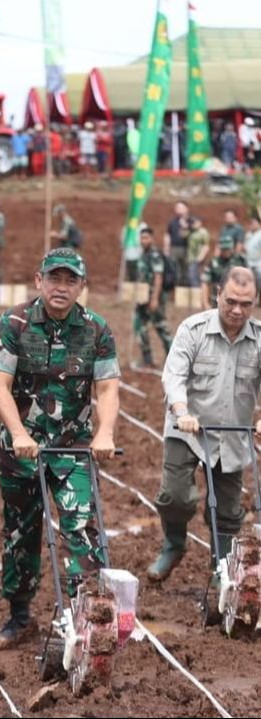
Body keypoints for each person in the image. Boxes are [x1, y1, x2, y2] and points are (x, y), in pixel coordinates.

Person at [0, 247, 120, 649]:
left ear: (82, 287)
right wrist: (19, 433)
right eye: (54, 279)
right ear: (38, 281)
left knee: (82, 528)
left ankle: (82, 619)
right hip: (21, 448)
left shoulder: (97, 329)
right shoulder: (14, 323)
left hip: (72, 448)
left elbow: (109, 386)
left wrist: (105, 432)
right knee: (21, 532)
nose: (62, 287)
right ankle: (19, 617)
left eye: (70, 280)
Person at [147, 267, 261, 582]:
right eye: (231, 301)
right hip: (188, 430)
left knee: (228, 511)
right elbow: (174, 375)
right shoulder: (193, 329)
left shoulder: (259, 339)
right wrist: (182, 410)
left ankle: (221, 570)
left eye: (246, 303)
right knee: (176, 497)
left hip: (231, 434)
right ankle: (173, 544)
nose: (237, 310)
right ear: (217, 294)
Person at [134, 226, 173, 367]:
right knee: (139, 326)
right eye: (142, 237)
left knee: (161, 328)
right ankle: (147, 360)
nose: (143, 240)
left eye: (146, 237)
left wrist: (155, 299)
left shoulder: (155, 255)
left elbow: (158, 277)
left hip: (154, 297)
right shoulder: (143, 255)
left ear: (152, 239)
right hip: (142, 298)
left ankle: (174, 358)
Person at [200, 235, 247, 309]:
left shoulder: (241, 261)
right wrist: (205, 303)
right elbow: (205, 282)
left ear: (232, 248)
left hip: (236, 302)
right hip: (217, 301)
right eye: (224, 249)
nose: (226, 251)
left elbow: (248, 282)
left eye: (228, 249)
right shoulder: (213, 263)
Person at [163, 201, 191, 287]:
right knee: (175, 270)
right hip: (174, 248)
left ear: (187, 209)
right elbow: (168, 235)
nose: (178, 209)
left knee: (186, 271)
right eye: (177, 207)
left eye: (181, 207)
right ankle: (177, 289)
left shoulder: (191, 220)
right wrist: (166, 248)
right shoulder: (172, 221)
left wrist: (186, 225)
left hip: (187, 249)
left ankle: (185, 288)